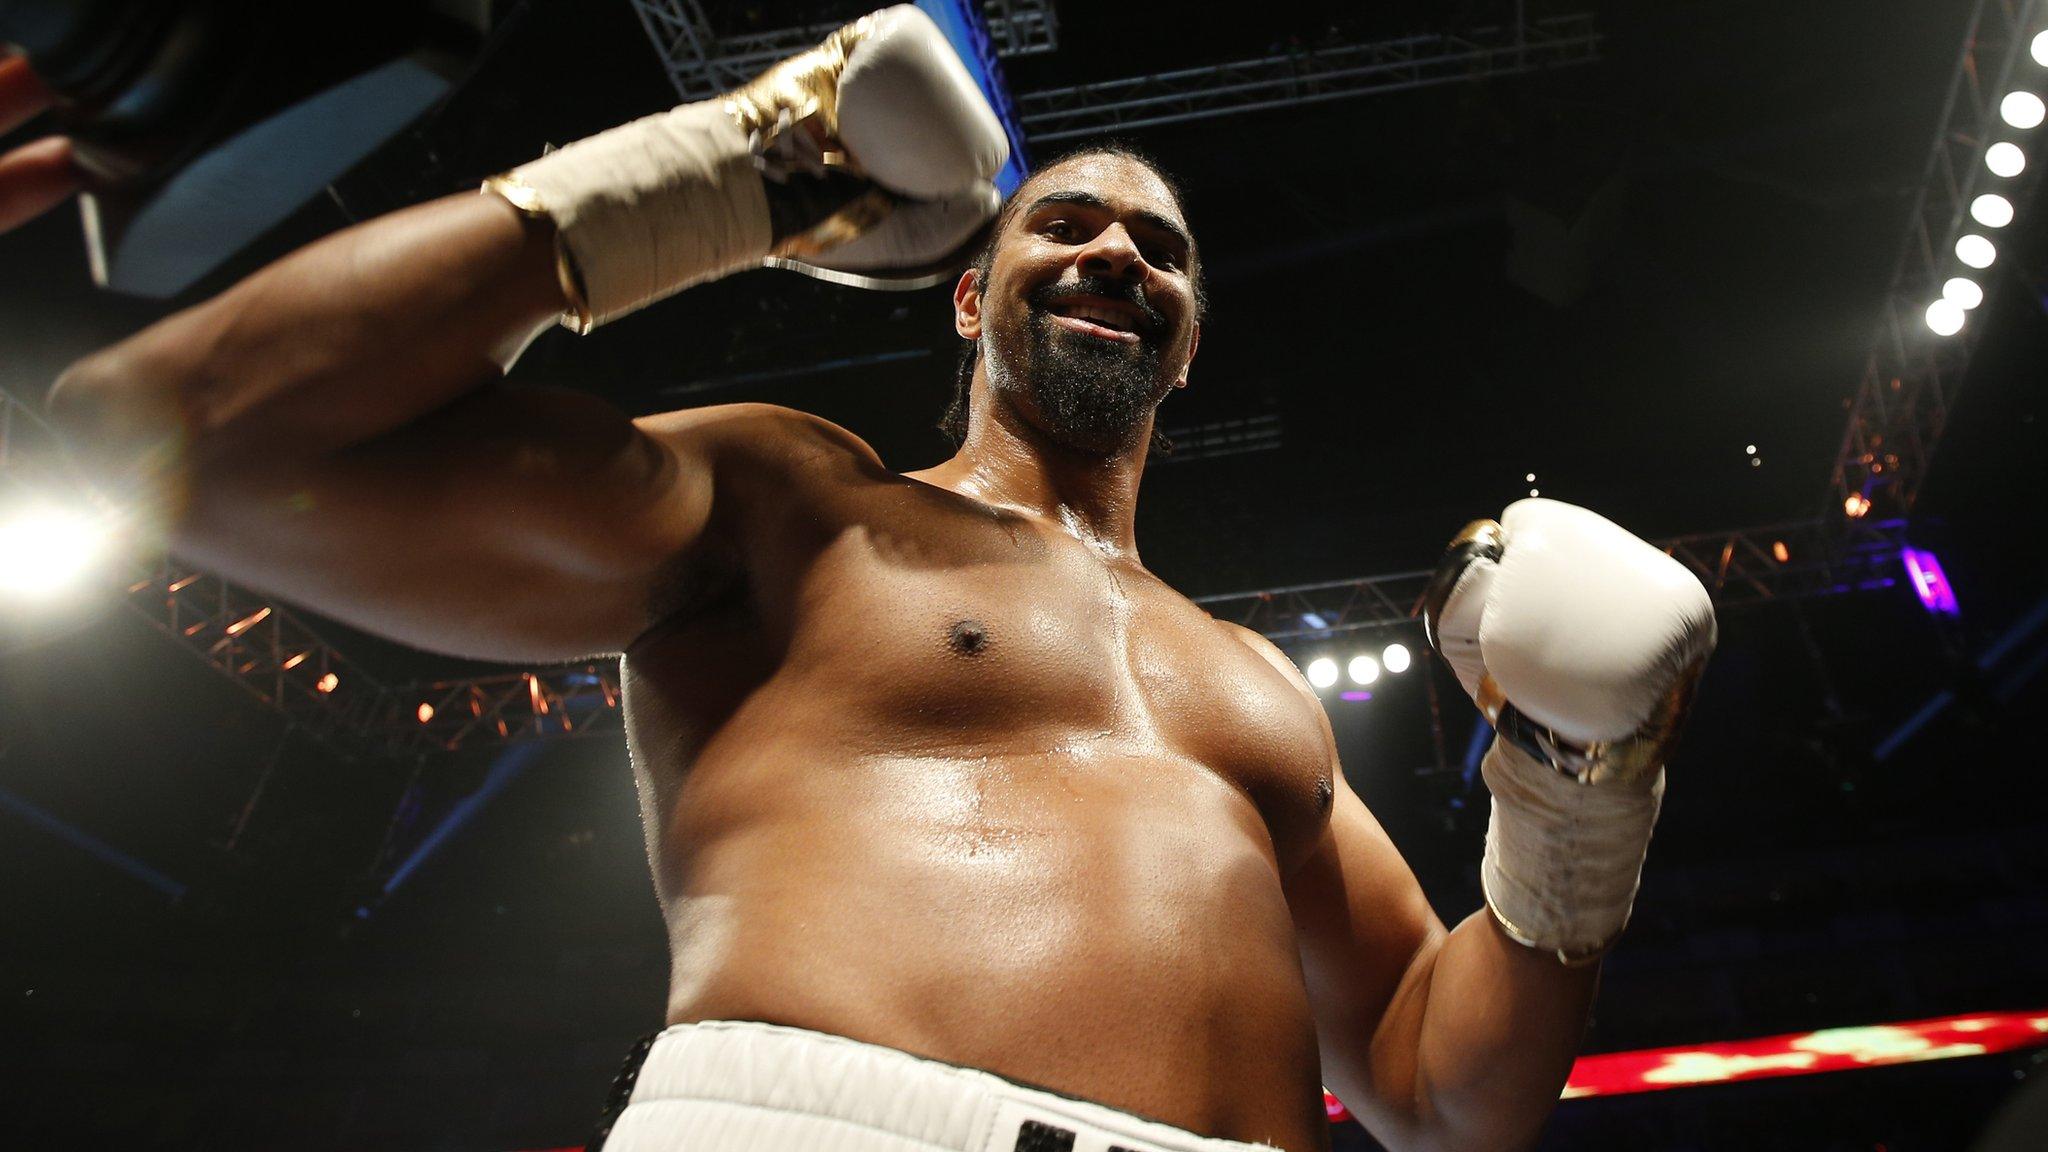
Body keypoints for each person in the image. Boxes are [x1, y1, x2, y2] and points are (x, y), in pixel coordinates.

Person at [16, 8, 1715, 1151]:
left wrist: (1585, 790)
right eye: (1064, 226)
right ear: (968, 299)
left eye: (1163, 251)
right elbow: (185, 429)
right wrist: (746, 173)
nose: (1118, 249)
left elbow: (1437, 1091)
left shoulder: (1259, 692)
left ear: (1188, 345)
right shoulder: (793, 505)